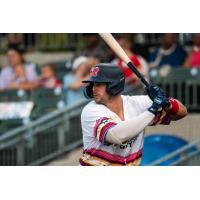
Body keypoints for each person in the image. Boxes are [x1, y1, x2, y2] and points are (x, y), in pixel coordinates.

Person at [79, 63, 187, 166]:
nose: (93, 89)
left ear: (113, 85)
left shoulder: (137, 103)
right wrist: (153, 110)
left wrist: (167, 104)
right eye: (92, 84)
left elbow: (182, 112)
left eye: (98, 84)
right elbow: (117, 136)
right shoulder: (90, 111)